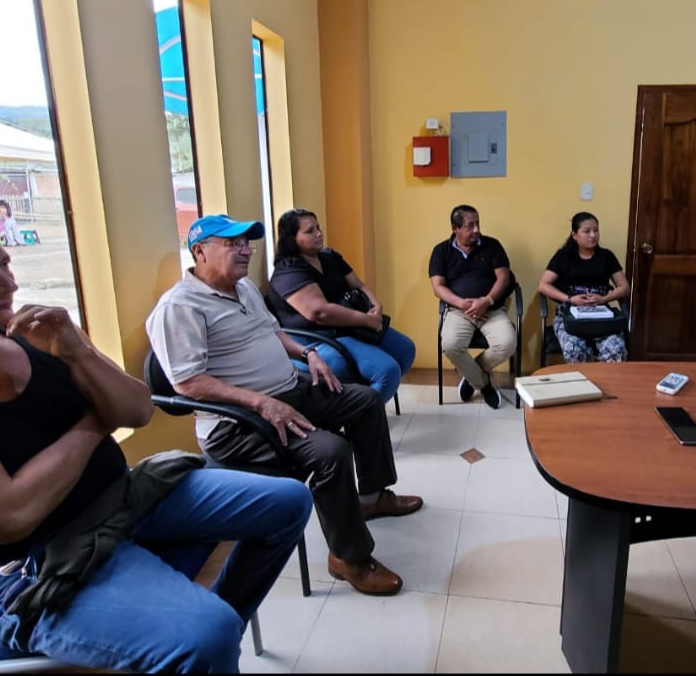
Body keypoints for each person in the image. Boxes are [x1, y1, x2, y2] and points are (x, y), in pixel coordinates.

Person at [0, 201, 312, 673]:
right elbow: (11, 513)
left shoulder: (30, 335)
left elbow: (136, 408)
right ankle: (202, 642)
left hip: (119, 499)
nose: (7, 285)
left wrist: (78, 350)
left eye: (4, 264)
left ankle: (211, 633)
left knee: (289, 501)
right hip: (24, 565)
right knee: (205, 635)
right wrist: (96, 421)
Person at [146, 214, 423, 597]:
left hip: (289, 390)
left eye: (247, 243)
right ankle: (349, 558)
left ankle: (372, 498)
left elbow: (273, 332)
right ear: (200, 251)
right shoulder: (179, 307)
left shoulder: (243, 288)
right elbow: (187, 382)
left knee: (365, 399)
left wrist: (308, 353)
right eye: (232, 244)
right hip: (238, 424)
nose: (245, 250)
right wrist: (261, 402)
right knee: (331, 451)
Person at [266, 209, 415, 405]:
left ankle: (363, 403)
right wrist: (366, 320)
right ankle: (360, 416)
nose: (319, 234)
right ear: (292, 239)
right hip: (318, 337)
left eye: (318, 228)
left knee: (405, 350)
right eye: (310, 231)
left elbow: (358, 285)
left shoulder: (329, 256)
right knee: (387, 371)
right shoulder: (288, 270)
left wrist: (376, 305)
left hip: (347, 327)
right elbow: (320, 312)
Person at [428, 204, 515, 409]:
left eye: (477, 223)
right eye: (470, 225)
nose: (476, 229)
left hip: (491, 309)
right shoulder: (441, 251)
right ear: (455, 228)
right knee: (450, 345)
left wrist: (487, 300)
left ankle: (471, 377)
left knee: (508, 343)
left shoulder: (492, 245)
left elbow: (503, 278)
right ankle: (483, 384)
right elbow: (438, 287)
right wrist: (462, 303)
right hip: (459, 311)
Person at [537, 211, 630, 363]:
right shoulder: (563, 256)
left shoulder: (607, 256)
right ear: (574, 235)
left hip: (601, 317)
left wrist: (604, 299)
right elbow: (543, 285)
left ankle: (602, 378)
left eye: (596, 230)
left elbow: (624, 287)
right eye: (587, 231)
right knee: (574, 350)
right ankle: (584, 378)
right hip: (569, 317)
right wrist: (570, 299)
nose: (593, 235)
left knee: (616, 349)